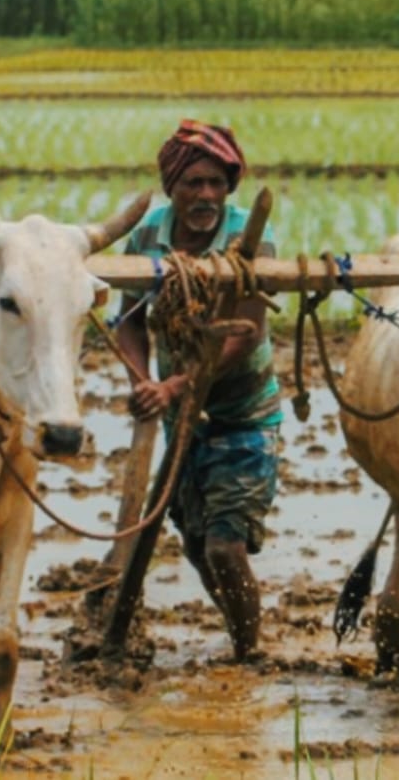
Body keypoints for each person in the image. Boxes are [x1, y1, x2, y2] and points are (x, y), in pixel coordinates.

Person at [116, 119, 282, 663]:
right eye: (193, 184)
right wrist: (145, 383)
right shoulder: (145, 239)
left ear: (228, 187)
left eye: (215, 183)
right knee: (194, 544)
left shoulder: (249, 239)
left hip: (244, 415)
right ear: (173, 188)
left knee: (224, 545)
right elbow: (130, 322)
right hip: (179, 417)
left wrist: (175, 385)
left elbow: (246, 329)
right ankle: (242, 632)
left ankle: (249, 655)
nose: (205, 195)